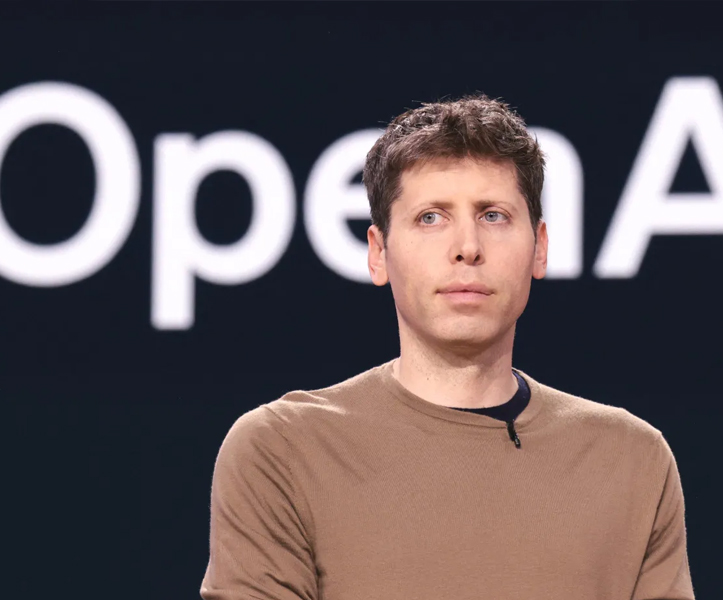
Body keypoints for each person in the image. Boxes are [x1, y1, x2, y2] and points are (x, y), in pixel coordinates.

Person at [199, 93, 695, 600]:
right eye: (431, 218)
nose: (467, 248)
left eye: (493, 216)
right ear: (378, 253)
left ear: (539, 247)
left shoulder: (631, 460)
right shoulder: (284, 451)